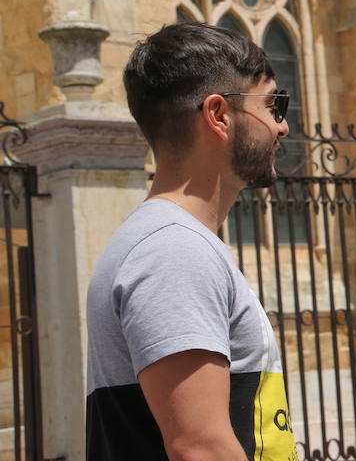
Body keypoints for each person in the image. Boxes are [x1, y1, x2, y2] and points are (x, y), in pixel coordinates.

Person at [86, 22, 298, 460]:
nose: (284, 127)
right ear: (218, 115)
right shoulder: (173, 251)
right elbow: (200, 448)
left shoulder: (171, 243)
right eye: (274, 105)